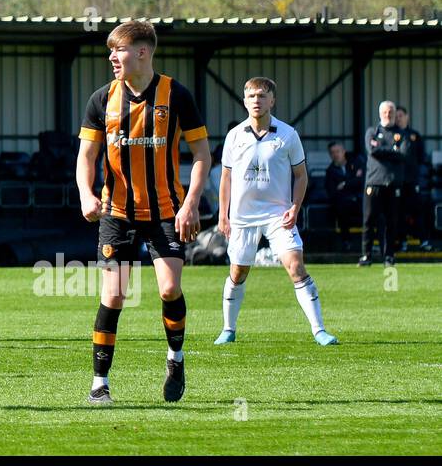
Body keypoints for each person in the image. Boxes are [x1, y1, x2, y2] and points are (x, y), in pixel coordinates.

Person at [76, 20, 211, 405]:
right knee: (115, 296)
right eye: (110, 51)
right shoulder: (102, 99)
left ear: (142, 52)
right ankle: (99, 382)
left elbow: (202, 154)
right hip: (117, 212)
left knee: (169, 288)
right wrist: (86, 193)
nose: (112, 58)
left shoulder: (176, 94)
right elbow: (86, 155)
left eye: (118, 50)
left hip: (166, 210)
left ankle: (176, 358)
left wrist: (190, 204)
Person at [214, 78, 337, 346]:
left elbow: (301, 176)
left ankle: (319, 331)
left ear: (272, 100)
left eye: (262, 95)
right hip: (243, 217)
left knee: (296, 267)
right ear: (244, 101)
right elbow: (226, 178)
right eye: (251, 96)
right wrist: (223, 215)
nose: (256, 100)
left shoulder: (287, 134)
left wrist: (294, 207)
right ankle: (228, 329)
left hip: (277, 216)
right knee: (238, 273)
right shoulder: (234, 136)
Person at [362, 100, 405, 266]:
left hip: (393, 184)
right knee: (369, 220)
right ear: (380, 114)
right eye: (385, 112)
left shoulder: (401, 134)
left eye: (391, 112)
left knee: (390, 221)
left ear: (394, 114)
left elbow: (403, 154)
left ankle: (388, 256)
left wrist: (382, 150)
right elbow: (372, 150)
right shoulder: (372, 132)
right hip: (373, 182)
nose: (388, 115)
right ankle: (366, 255)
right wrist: (392, 151)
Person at [395, 105, 426, 248]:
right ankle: (402, 241)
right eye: (396, 116)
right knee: (399, 211)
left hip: (412, 180)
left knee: (418, 209)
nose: (398, 118)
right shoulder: (392, 134)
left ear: (407, 117)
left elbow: (422, 156)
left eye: (401, 115)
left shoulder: (415, 135)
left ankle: (423, 241)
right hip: (397, 181)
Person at [324, 142, 364, 250]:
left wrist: (345, 184)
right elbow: (333, 192)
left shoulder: (355, 164)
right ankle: (347, 242)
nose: (335, 155)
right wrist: (353, 181)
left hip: (359, 201)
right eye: (332, 152)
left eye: (338, 151)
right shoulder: (330, 172)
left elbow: (362, 182)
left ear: (343, 152)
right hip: (344, 204)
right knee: (341, 209)